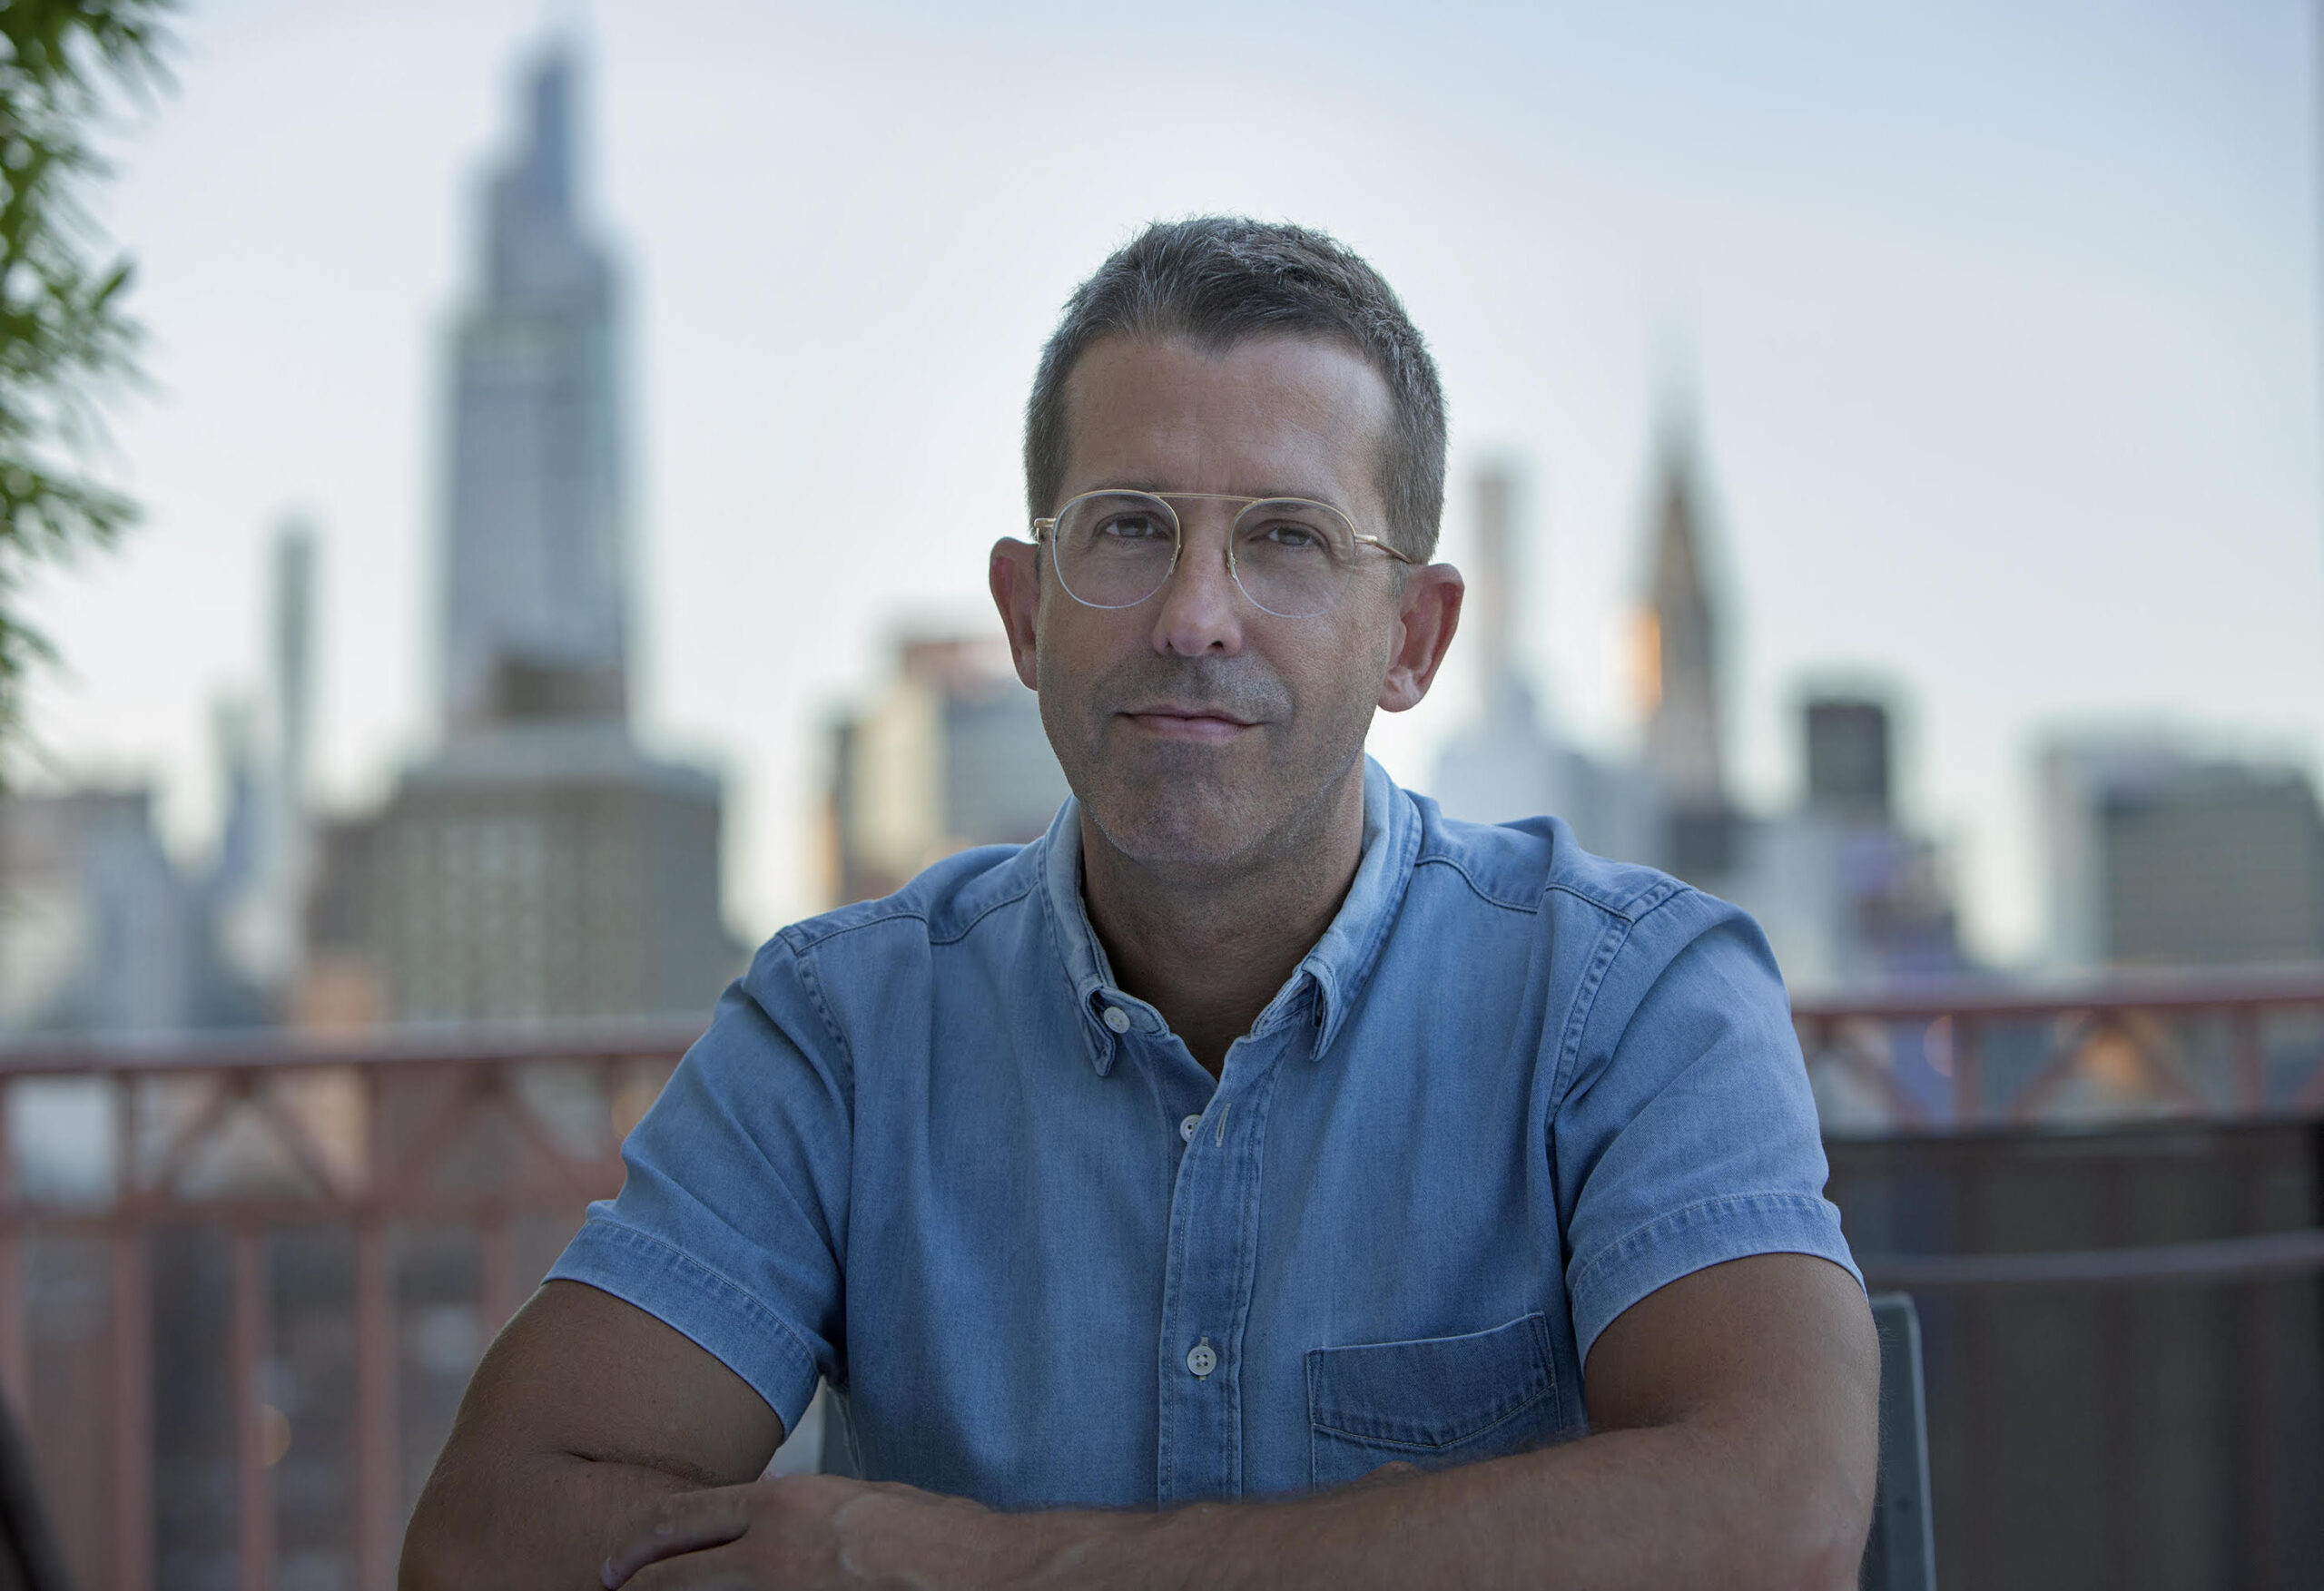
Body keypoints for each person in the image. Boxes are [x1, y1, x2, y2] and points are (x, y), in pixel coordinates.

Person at [402, 217, 1877, 1590]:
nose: (1193, 614)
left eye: (1288, 537)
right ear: (1025, 614)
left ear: (1412, 639)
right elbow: (491, 1536)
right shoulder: (841, 1030)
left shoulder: (1633, 999)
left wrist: (978, 1569)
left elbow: (1772, 1521)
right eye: (1126, 528)